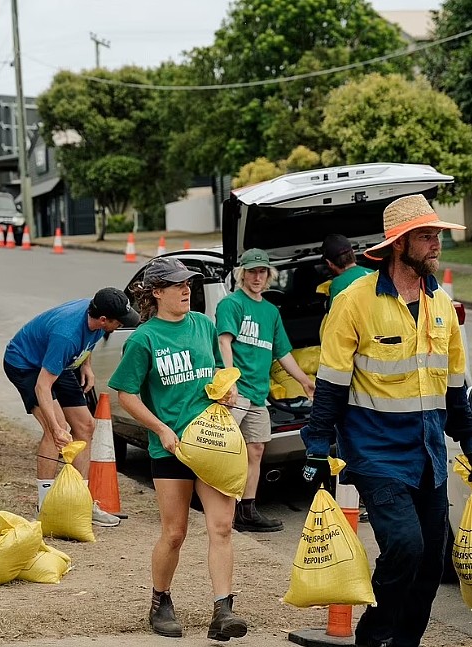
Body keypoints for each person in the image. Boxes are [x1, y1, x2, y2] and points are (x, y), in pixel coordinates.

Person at [300, 194, 472, 647]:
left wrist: (469, 439)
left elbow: (455, 385)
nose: (436, 243)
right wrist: (316, 449)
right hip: (376, 453)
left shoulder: (441, 304)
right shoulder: (355, 302)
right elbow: (332, 383)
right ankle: (373, 638)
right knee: (405, 546)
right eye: (426, 235)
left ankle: (404, 643)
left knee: (433, 563)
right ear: (399, 244)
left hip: (429, 454)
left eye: (437, 234)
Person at [108, 256, 248, 641]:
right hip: (170, 448)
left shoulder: (203, 325)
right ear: (157, 292)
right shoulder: (143, 339)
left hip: (212, 444)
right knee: (175, 533)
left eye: (189, 284)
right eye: (177, 285)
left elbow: (218, 371)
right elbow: (126, 395)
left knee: (221, 526)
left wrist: (226, 390)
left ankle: (223, 610)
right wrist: (161, 429)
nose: (187, 289)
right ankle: (161, 601)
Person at [3, 287, 140, 527]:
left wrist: (86, 365)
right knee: (56, 429)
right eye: (119, 322)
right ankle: (44, 506)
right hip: (25, 364)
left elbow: (88, 341)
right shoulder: (66, 335)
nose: (121, 326)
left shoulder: (96, 312)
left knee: (86, 426)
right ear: (104, 319)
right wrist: (55, 428)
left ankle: (81, 502)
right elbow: (42, 387)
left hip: (60, 362)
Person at [216, 248, 315, 533]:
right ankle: (222, 509)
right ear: (242, 274)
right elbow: (224, 342)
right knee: (225, 450)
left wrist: (306, 381)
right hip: (236, 391)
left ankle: (247, 510)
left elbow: (282, 353)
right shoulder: (231, 305)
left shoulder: (270, 311)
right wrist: (229, 381)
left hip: (259, 393)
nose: (257, 277)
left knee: (256, 449)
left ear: (269, 275)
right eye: (252, 272)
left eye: (262, 272)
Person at [321, 233, 373, 309]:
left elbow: (337, 318)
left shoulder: (338, 285)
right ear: (353, 252)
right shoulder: (374, 274)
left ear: (329, 263)